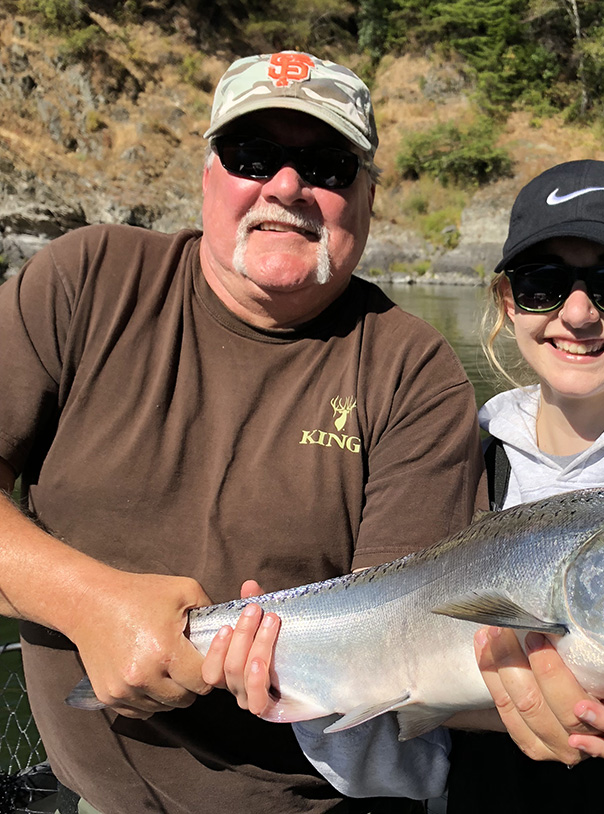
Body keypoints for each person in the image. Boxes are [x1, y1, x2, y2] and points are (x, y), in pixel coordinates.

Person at [207, 160, 604, 814]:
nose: (578, 312)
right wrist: (306, 693)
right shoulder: (463, 459)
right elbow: (411, 771)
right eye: (543, 284)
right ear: (508, 304)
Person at [0, 51, 484, 814]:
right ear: (207, 175)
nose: (287, 187)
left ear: (367, 198)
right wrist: (86, 602)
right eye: (253, 155)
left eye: (326, 164)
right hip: (89, 795)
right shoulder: (84, 281)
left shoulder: (413, 370)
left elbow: (401, 641)